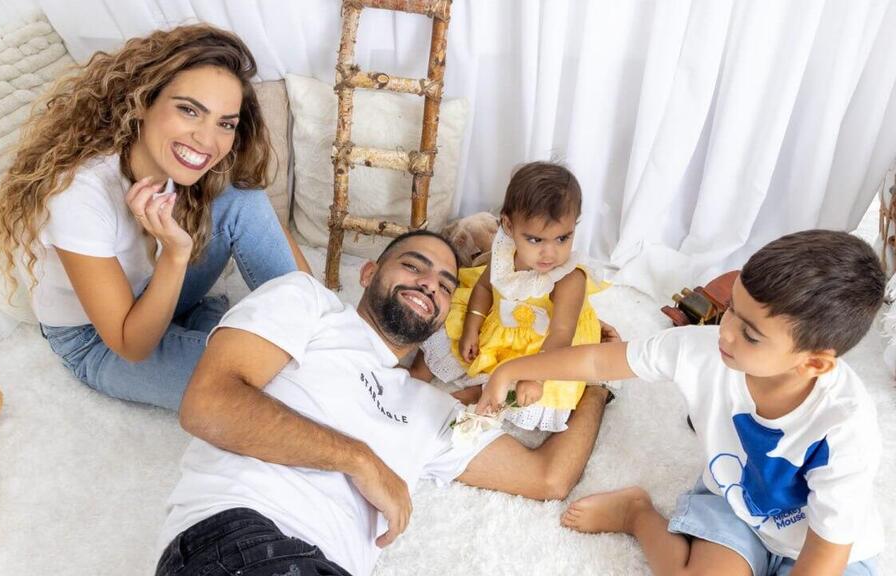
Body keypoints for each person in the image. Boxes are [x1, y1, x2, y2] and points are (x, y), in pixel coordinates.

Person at [156, 230, 612, 576]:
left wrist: (594, 385)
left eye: (446, 285)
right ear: (369, 272)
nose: (431, 284)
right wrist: (362, 462)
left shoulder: (431, 409)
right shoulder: (308, 302)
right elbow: (208, 405)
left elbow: (547, 478)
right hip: (243, 534)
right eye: (414, 267)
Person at [478, 230, 884, 576]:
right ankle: (636, 513)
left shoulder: (846, 426)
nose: (725, 334)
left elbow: (825, 554)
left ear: (814, 363)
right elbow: (597, 358)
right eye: (730, 312)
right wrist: (512, 370)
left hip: (823, 545)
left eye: (751, 335)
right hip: (737, 505)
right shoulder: (703, 350)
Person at [0, 24, 309, 411]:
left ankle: (326, 330)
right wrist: (176, 253)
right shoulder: (78, 193)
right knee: (285, 383)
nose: (208, 141)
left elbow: (259, 228)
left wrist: (310, 310)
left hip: (159, 292)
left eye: (225, 123)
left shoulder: (186, 167)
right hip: (102, 340)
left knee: (241, 198)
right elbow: (131, 344)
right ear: (142, 101)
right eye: (190, 110)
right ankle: (219, 329)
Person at [413, 161, 603, 432]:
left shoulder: (569, 278)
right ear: (508, 226)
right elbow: (482, 289)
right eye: (536, 240)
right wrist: (472, 326)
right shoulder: (505, 255)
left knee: (516, 391)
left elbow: (561, 335)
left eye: (562, 238)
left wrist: (536, 377)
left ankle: (471, 397)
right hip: (502, 322)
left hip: (545, 346)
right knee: (447, 327)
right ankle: (416, 376)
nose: (550, 254)